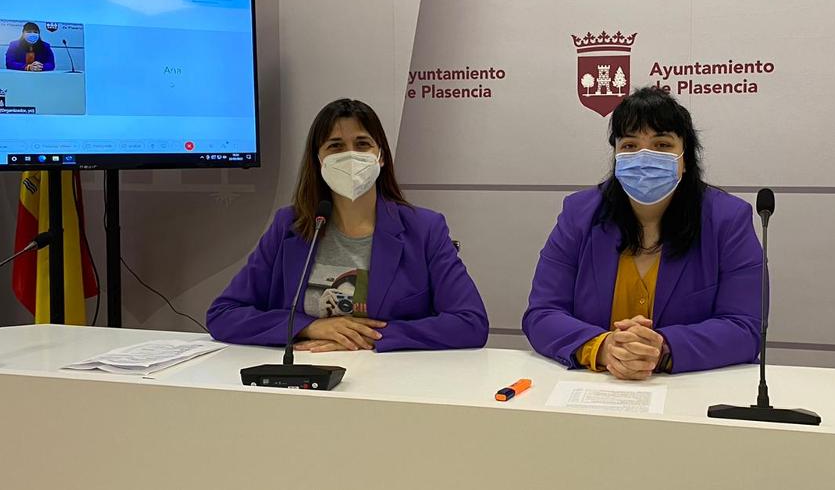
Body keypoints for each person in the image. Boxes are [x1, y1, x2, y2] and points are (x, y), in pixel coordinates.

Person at [208, 98, 489, 352]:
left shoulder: (424, 228)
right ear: (318, 160)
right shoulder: (289, 225)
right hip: (304, 376)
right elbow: (223, 314)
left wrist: (369, 336)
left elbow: (470, 323)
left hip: (390, 380)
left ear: (380, 156)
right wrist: (307, 327)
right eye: (336, 146)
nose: (350, 155)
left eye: (362, 144)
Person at [522, 87, 765, 378]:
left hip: (690, 391)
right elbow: (542, 314)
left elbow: (745, 328)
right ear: (616, 155)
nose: (645, 156)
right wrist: (604, 347)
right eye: (630, 145)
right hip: (595, 387)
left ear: (685, 158)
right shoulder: (579, 214)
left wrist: (661, 349)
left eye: (662, 144)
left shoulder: (728, 220)